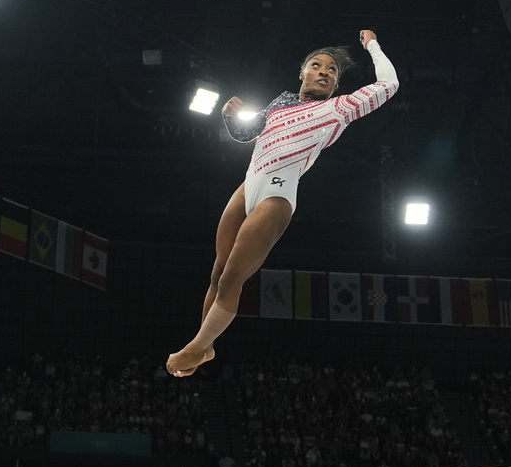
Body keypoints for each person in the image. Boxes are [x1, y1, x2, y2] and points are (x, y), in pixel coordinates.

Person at [167, 29, 399, 376]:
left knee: (232, 278)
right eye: (316, 65)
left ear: (336, 85)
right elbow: (246, 134)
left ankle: (197, 347)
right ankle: (206, 347)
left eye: (332, 70)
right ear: (302, 73)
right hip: (247, 187)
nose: (324, 71)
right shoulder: (280, 102)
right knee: (217, 271)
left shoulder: (340, 108)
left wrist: (373, 46)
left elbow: (389, 85)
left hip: (276, 194)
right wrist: (231, 117)